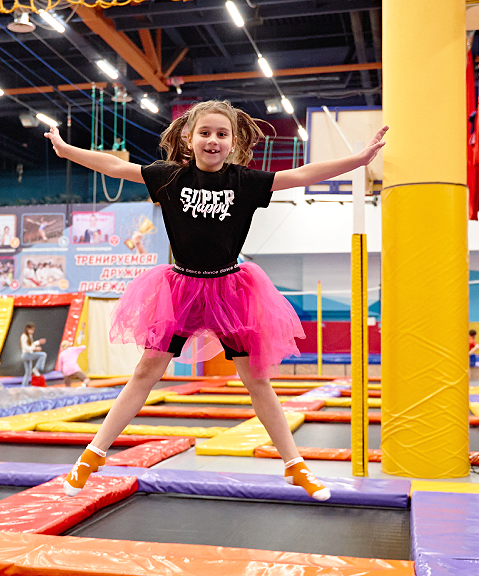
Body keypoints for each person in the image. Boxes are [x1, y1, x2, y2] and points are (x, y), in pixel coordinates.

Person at [45, 99, 386, 501]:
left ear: (233, 141)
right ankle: (92, 456)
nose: (213, 140)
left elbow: (302, 174)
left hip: (230, 290)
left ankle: (295, 465)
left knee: (257, 380)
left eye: (222, 134)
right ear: (188, 138)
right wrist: (67, 150)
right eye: (205, 133)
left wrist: (358, 160)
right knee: (145, 373)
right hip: (181, 289)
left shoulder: (245, 181)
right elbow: (116, 167)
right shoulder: (170, 177)